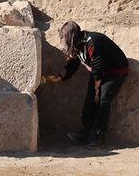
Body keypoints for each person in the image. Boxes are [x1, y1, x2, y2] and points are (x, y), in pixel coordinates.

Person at [46, 21, 129, 149]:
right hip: (100, 70)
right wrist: (62, 76)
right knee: (90, 100)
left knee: (102, 100)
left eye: (65, 38)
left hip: (115, 71)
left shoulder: (92, 43)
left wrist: (97, 90)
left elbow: (97, 69)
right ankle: (84, 132)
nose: (64, 41)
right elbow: (74, 62)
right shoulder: (78, 44)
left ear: (71, 37)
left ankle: (99, 136)